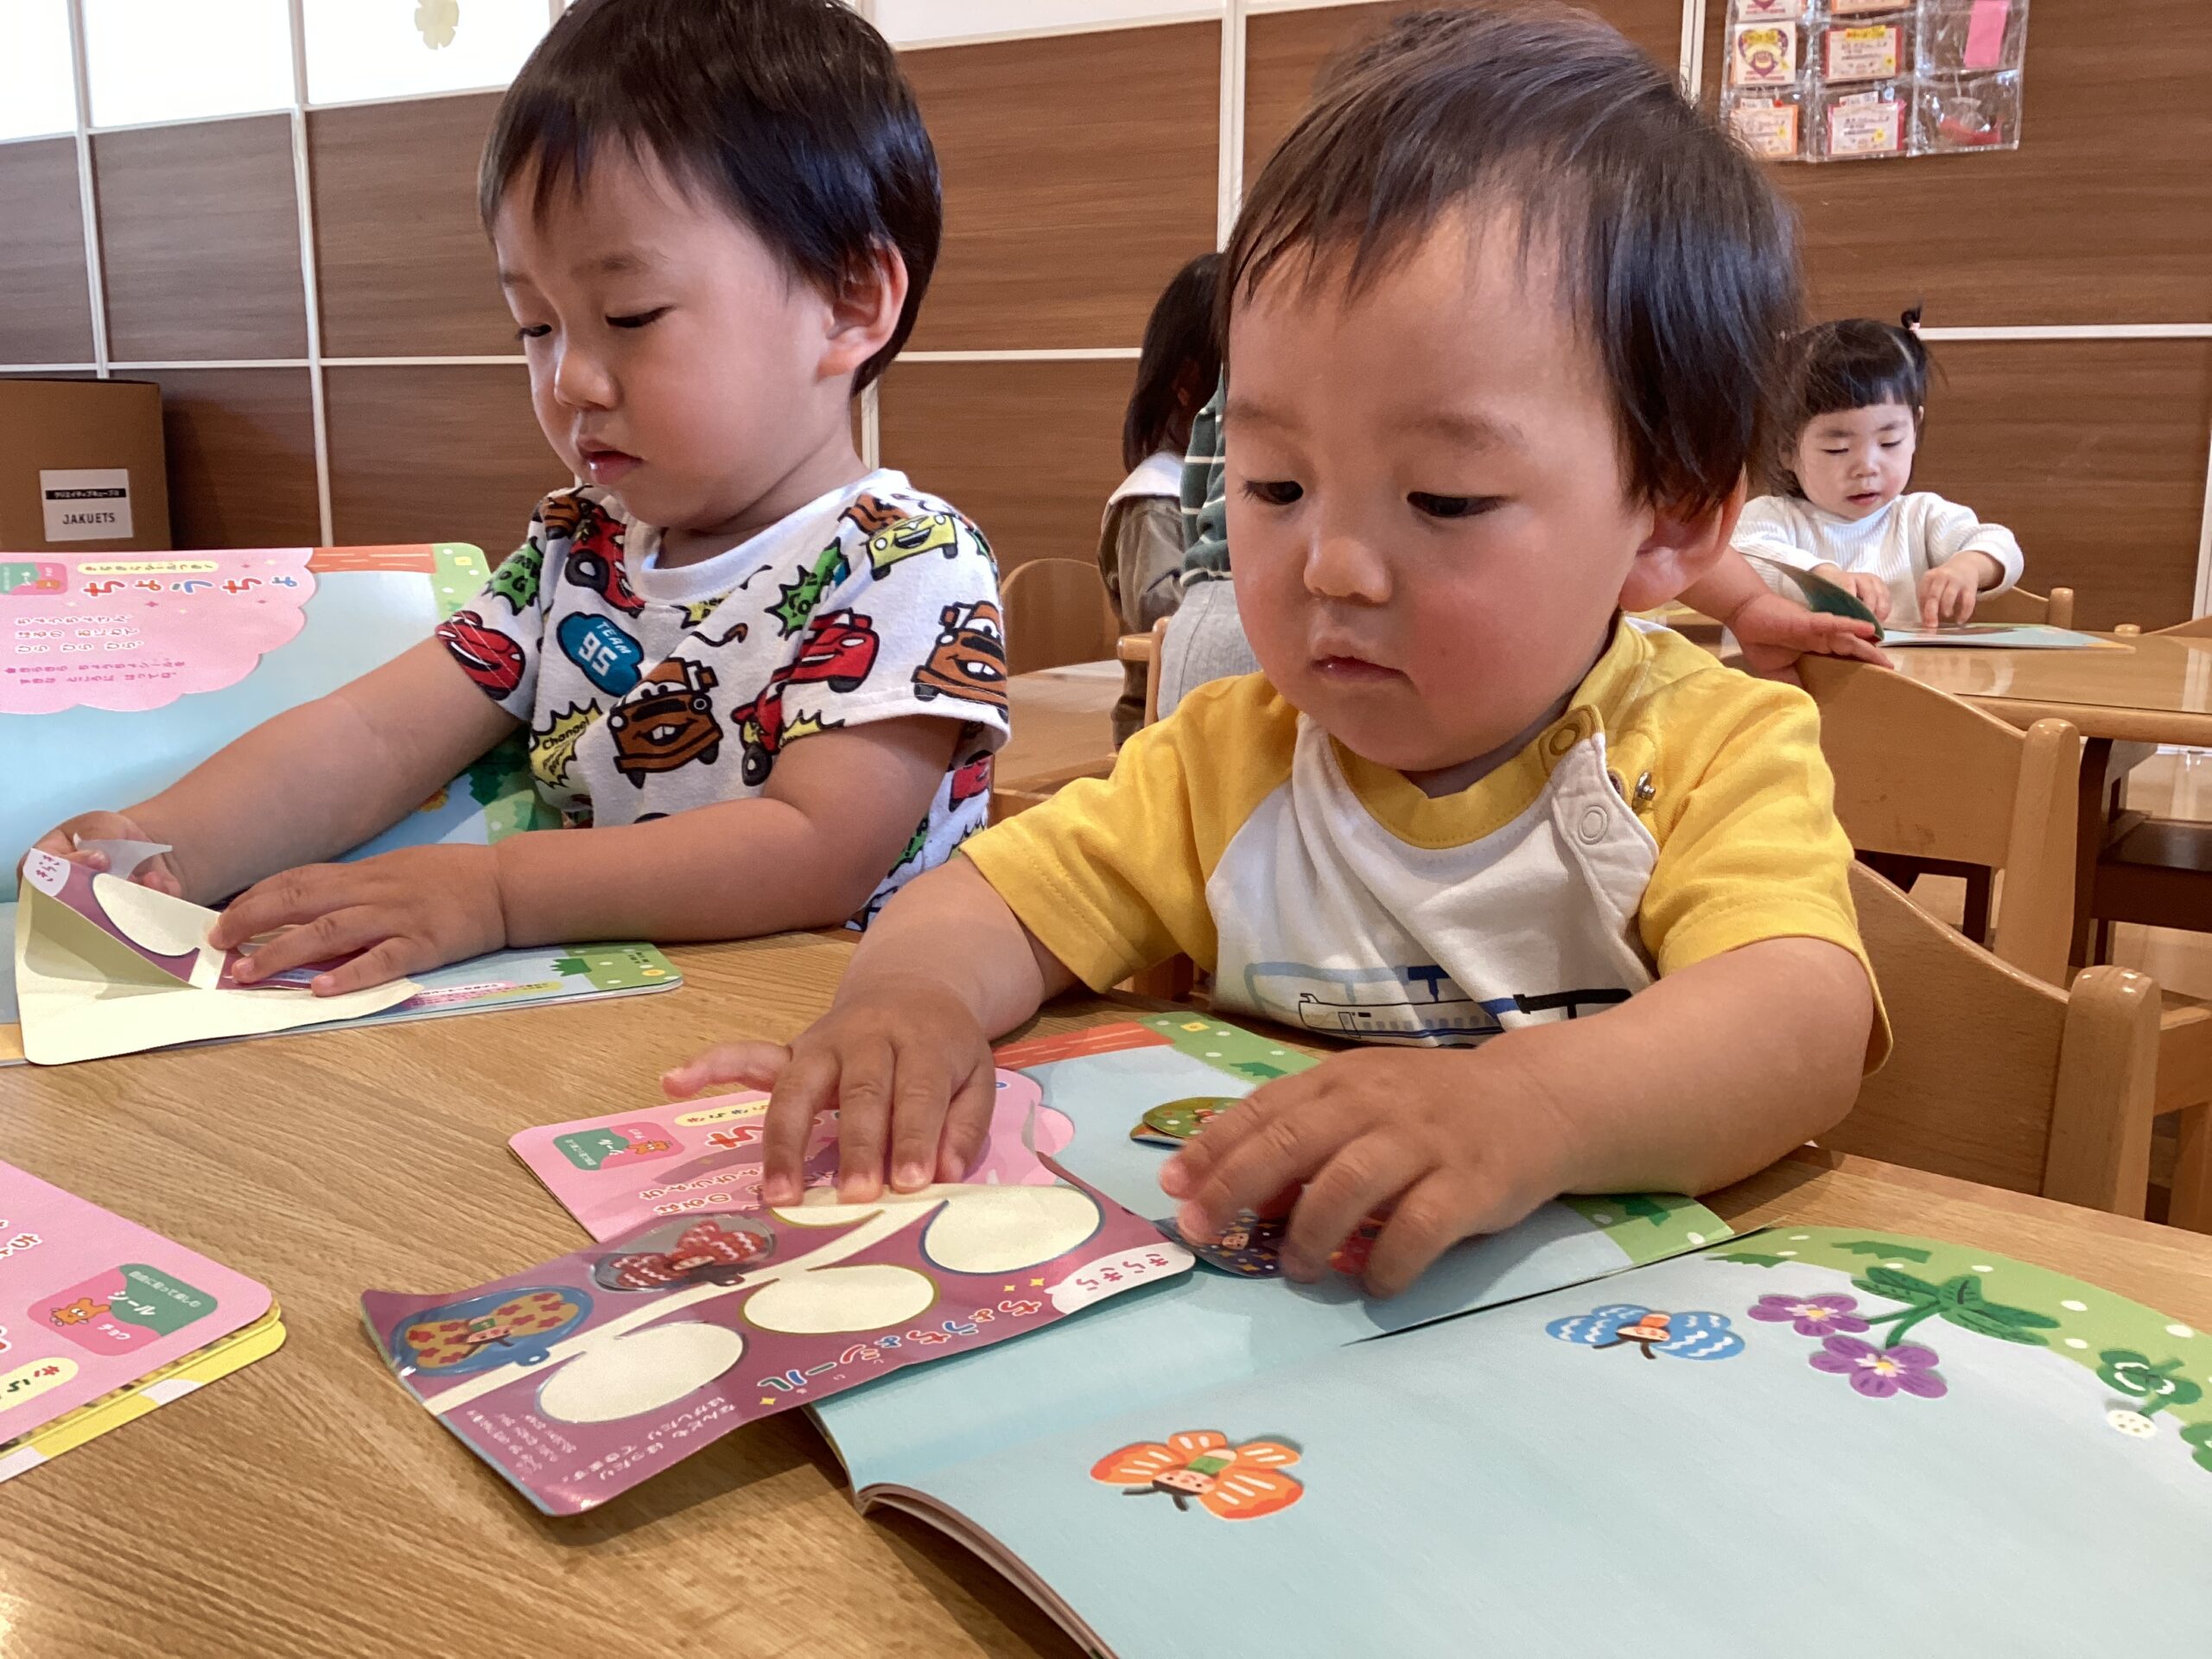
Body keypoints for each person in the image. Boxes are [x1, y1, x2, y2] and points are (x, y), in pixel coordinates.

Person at [666, 5, 1885, 1300]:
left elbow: (1802, 1020)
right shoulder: (1225, 762)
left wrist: (1529, 1107)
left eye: (1444, 500)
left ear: (1673, 518)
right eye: (1274, 486)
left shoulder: (1702, 749)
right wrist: (908, 1006)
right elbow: (985, 902)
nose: (1331, 567)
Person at [29, 0, 1007, 992]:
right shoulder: (575, 550)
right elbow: (371, 737)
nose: (568, 379)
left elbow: (816, 850)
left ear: (847, 303)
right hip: (600, 1028)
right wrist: (165, 843)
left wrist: (497, 892)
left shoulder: (904, 560)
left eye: (630, 315)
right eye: (535, 327)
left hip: (836, 1029)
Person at [1734, 308, 2024, 628]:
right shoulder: (1771, 518)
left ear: (1914, 429)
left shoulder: (1922, 517)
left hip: (1903, 662)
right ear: (1787, 450)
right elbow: (1738, 560)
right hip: (1792, 663)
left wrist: (1969, 567)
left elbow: (2000, 545)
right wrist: (1822, 575)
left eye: (1889, 442)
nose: (1867, 468)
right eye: (1837, 449)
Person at [1101, 254, 1219, 744]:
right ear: (1188, 384)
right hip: (1158, 728)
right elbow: (1157, 612)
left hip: (1211, 712)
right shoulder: (1155, 497)